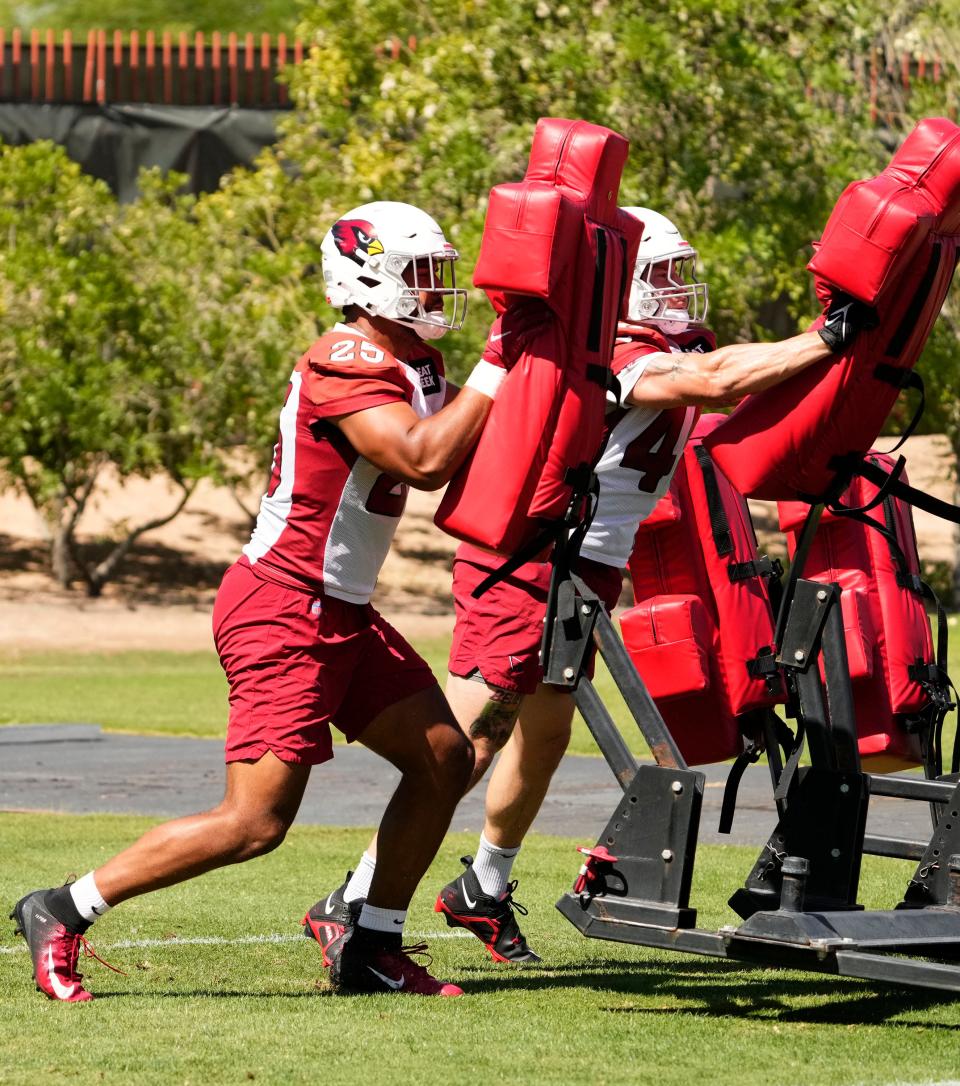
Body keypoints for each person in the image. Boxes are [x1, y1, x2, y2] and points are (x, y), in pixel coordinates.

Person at [304, 206, 875, 968]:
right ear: (629, 290)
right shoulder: (621, 354)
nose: (680, 292)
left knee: (544, 733)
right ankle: (356, 897)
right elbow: (716, 379)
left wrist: (827, 346)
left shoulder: (668, 344)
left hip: (588, 565)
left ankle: (483, 884)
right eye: (664, 278)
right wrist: (827, 334)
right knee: (465, 744)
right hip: (532, 560)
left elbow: (731, 374)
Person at [11, 199, 523, 1001]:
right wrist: (502, 360)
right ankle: (61, 907)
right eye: (420, 273)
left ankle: (369, 944)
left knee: (444, 759)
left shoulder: (417, 364)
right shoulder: (342, 355)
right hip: (282, 604)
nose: (436, 289)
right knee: (254, 824)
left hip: (341, 609)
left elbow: (474, 445)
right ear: (367, 278)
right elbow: (423, 460)